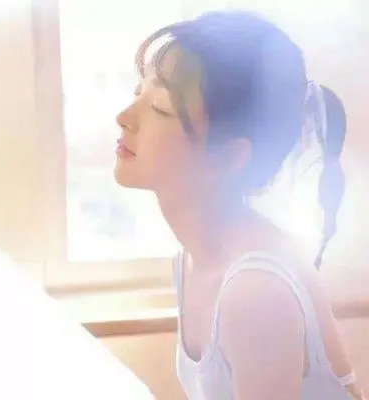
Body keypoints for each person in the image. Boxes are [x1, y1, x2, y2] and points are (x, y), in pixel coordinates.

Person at [114, 10, 364, 400]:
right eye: (137, 93)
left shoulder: (255, 290)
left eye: (160, 107)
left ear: (229, 157)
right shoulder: (192, 259)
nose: (124, 118)